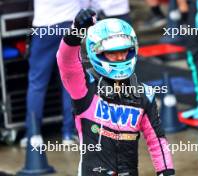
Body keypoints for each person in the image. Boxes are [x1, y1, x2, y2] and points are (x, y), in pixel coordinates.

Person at [57, 9, 175, 176]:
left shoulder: (144, 94)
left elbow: (157, 141)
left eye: (124, 50)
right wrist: (76, 31)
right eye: (112, 52)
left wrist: (166, 172)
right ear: (98, 53)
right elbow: (65, 62)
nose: (120, 57)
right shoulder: (84, 87)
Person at [20, 0, 82, 147]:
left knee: (37, 83)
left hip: (45, 26)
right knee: (69, 82)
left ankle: (33, 135)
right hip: (70, 25)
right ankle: (69, 133)